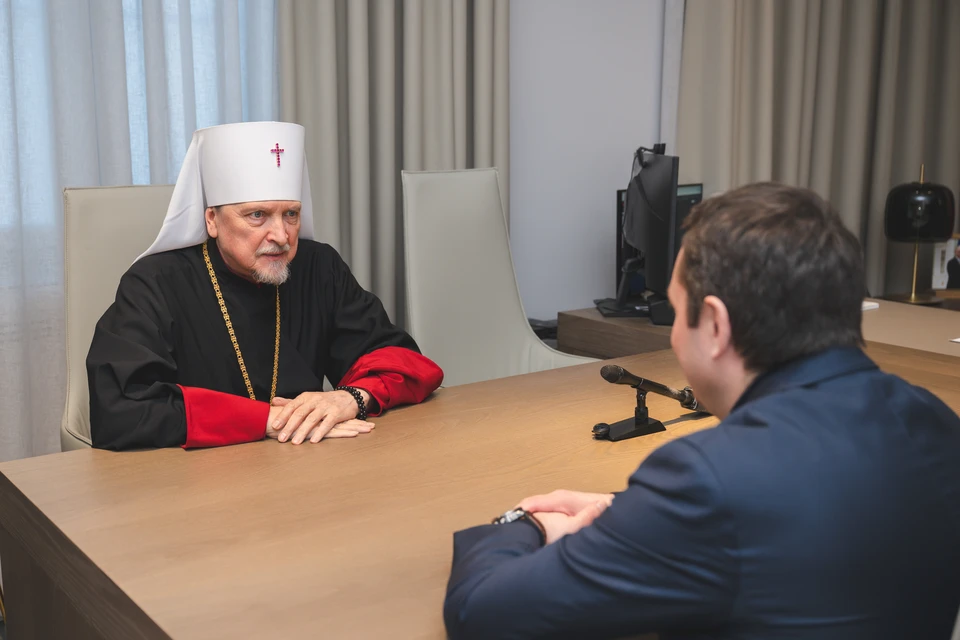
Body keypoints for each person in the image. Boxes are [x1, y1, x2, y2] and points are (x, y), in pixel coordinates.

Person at [443, 183, 960, 639]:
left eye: (675, 311)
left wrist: (527, 523)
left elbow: (481, 614)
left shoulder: (711, 480)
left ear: (714, 325)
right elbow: (806, 505)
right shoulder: (934, 421)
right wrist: (631, 512)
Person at [88, 122, 443, 450]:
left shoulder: (318, 268)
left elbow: (402, 362)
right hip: (198, 476)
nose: (281, 236)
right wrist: (267, 420)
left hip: (306, 461)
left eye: (291, 214)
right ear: (212, 220)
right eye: (257, 215)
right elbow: (121, 410)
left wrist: (350, 398)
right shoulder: (154, 283)